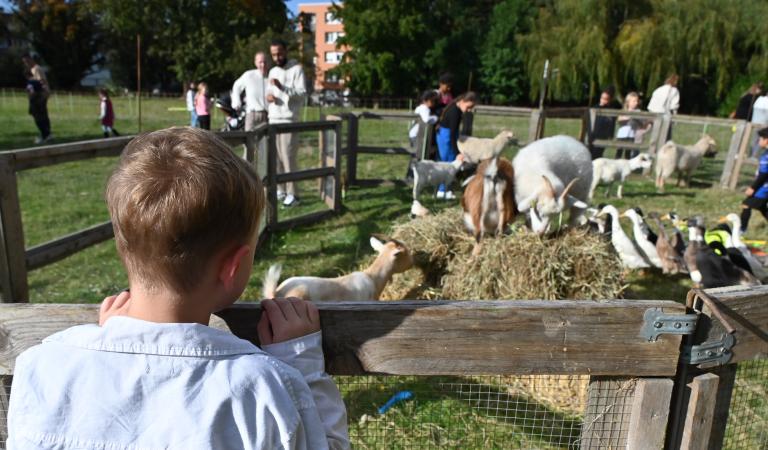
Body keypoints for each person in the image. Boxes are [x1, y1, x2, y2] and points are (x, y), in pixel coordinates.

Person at [7, 127, 350, 449]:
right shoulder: (263, 390)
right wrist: (301, 364)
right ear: (232, 267)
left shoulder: (41, 369)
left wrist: (113, 338)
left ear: (121, 248)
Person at [266, 38, 306, 207]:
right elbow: (269, 91)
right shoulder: (273, 71)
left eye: (280, 53)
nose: (277, 57)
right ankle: (281, 190)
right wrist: (269, 97)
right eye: (274, 54)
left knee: (288, 157)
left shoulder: (297, 69)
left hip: (289, 120)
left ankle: (294, 194)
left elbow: (302, 93)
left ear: (286, 51)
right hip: (273, 119)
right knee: (276, 159)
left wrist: (283, 88)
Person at [435, 91, 476, 199]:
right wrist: (457, 152)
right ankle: (441, 190)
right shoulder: (455, 113)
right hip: (447, 138)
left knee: (450, 164)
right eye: (468, 107)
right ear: (462, 101)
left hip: (448, 137)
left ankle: (447, 189)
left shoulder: (455, 107)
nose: (468, 110)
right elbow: (452, 134)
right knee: (447, 165)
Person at [232, 51, 270, 130]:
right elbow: (236, 86)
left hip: (267, 115)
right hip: (252, 114)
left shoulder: (271, 76)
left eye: (265, 62)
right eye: (260, 62)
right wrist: (236, 101)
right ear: (255, 63)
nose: (263, 65)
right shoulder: (249, 75)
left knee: (264, 141)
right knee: (250, 140)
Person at [740, 127, 768, 234]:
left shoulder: (766, 156)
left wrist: (753, 188)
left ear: (767, 140)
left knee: (747, 204)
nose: (759, 141)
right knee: (761, 207)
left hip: (764, 187)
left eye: (760, 138)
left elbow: (764, 174)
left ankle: (742, 230)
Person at [22, 54, 51, 143]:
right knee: (42, 115)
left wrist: (44, 93)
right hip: (38, 95)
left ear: (31, 59)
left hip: (39, 96)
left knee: (39, 115)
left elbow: (42, 81)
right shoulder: (32, 69)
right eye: (24, 62)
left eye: (27, 61)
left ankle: (45, 135)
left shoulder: (36, 69)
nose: (26, 63)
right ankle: (47, 134)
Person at [587, 86, 620, 159]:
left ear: (610, 99)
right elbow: (590, 123)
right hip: (593, 135)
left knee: (598, 155)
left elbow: (612, 123)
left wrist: (610, 135)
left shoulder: (611, 110)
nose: (603, 100)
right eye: (602, 98)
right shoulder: (595, 108)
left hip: (603, 136)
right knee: (589, 154)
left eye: (606, 99)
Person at [615, 92, 650, 159]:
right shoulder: (624, 111)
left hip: (631, 135)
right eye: (634, 101)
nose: (636, 103)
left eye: (637, 101)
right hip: (621, 135)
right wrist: (629, 117)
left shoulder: (638, 112)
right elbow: (619, 120)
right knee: (619, 152)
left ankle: (627, 166)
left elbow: (643, 123)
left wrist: (644, 123)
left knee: (628, 152)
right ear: (628, 102)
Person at [648, 74, 680, 141]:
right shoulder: (674, 90)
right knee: (664, 138)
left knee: (654, 137)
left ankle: (652, 150)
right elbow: (673, 106)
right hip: (665, 115)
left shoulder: (658, 89)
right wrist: (675, 118)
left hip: (654, 114)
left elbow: (651, 104)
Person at [751, 92, 768, 158]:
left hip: (754, 123)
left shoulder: (759, 100)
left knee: (754, 141)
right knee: (760, 141)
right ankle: (754, 156)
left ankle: (753, 155)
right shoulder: (765, 101)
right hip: (763, 125)